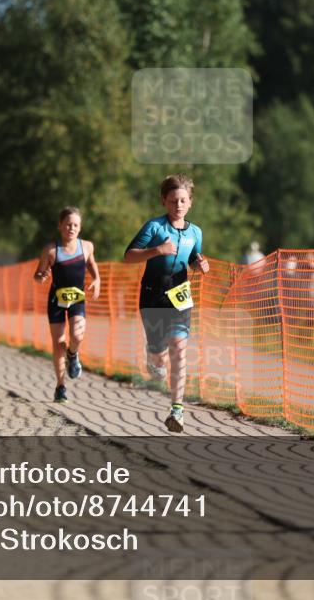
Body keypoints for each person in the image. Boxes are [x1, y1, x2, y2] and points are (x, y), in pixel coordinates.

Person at [123, 174, 209, 433]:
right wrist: (156, 251)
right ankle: (154, 359)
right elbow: (128, 256)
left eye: (183, 200)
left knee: (180, 349)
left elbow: (194, 257)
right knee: (160, 355)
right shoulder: (154, 227)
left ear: (190, 202)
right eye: (173, 201)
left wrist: (200, 264)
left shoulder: (196, 232)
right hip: (153, 295)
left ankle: (177, 410)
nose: (178, 205)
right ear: (164, 201)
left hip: (180, 295)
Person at [34, 207, 101, 403]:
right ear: (60, 226)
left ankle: (73, 354)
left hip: (77, 298)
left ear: (79, 228)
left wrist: (97, 280)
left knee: (78, 335)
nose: (71, 228)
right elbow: (37, 275)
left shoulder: (87, 246)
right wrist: (42, 276)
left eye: (75, 225)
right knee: (58, 343)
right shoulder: (50, 250)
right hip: (56, 300)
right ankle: (60, 386)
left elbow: (91, 264)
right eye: (68, 224)